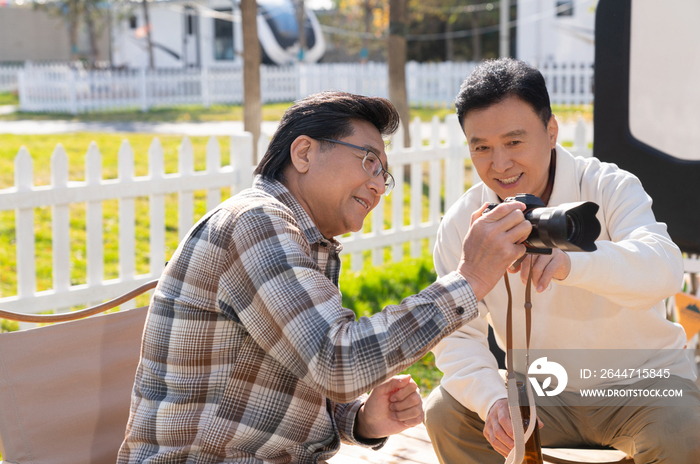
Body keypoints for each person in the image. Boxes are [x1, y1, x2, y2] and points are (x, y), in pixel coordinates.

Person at [117, 91, 532, 464]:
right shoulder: (256, 222)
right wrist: (470, 278)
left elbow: (301, 371)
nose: (377, 186)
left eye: (382, 175)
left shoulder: (301, 239)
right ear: (303, 153)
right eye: (369, 161)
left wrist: (362, 420)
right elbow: (338, 363)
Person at [424, 58, 700, 464]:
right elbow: (457, 337)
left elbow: (663, 268)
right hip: (539, 393)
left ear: (551, 131)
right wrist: (493, 402)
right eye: (481, 147)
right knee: (445, 412)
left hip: (641, 387)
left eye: (514, 142)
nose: (499, 165)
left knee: (684, 430)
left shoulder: (609, 185)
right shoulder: (464, 222)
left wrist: (573, 263)